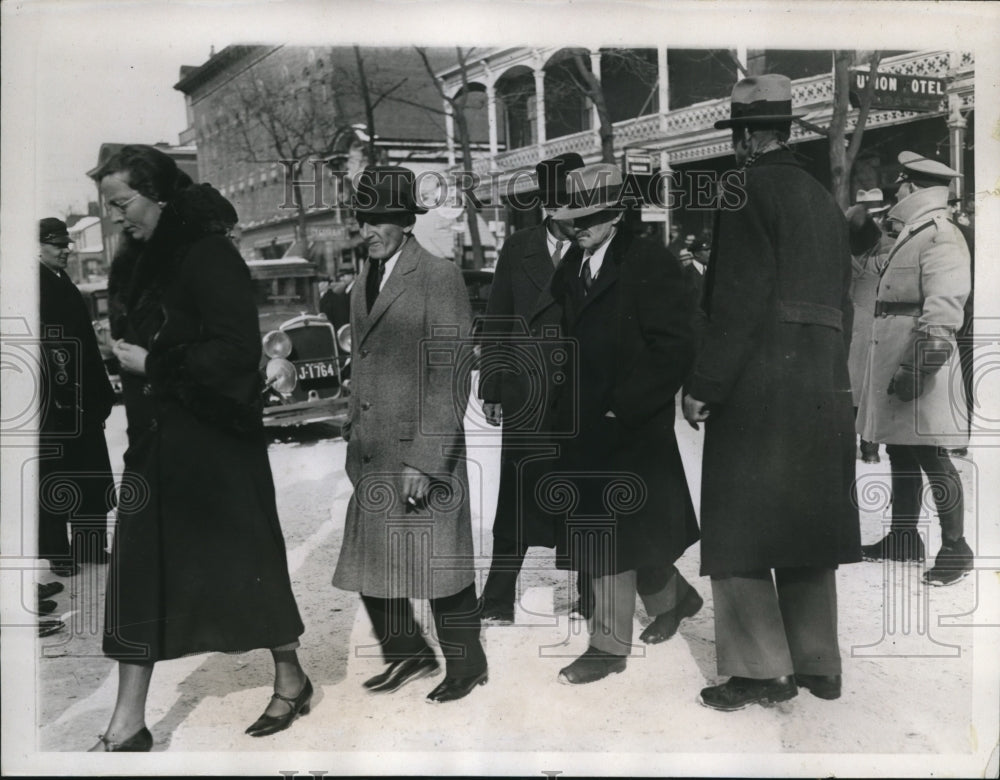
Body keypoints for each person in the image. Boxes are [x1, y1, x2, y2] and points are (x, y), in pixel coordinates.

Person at [91, 145, 310, 751]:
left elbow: (236, 351)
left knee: (249, 567)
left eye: (122, 204)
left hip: (216, 445)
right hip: (156, 447)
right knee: (138, 575)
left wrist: (154, 363)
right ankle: (127, 723)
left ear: (156, 193)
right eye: (109, 206)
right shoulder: (135, 259)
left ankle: (290, 675)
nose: (116, 218)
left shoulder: (209, 252)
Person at [683, 74, 861, 710]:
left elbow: (737, 299)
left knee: (742, 525)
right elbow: (842, 300)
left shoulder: (742, 189)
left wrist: (705, 383)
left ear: (748, 137)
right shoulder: (821, 197)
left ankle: (761, 669)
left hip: (759, 383)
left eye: (736, 137)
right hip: (819, 383)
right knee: (807, 520)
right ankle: (818, 663)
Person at [332, 166, 488, 704]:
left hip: (421, 448)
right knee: (371, 560)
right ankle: (408, 653)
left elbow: (452, 370)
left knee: (439, 561)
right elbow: (364, 360)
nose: (368, 230)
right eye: (363, 220)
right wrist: (353, 429)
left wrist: (427, 458)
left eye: (379, 220)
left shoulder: (438, 276)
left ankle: (468, 665)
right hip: (373, 449)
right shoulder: (364, 278)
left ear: (404, 221)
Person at [548, 163, 702, 685]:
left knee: (613, 532)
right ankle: (676, 597)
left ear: (615, 213)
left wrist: (625, 405)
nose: (577, 226)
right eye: (572, 217)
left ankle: (609, 645)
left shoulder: (648, 261)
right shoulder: (575, 262)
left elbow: (676, 344)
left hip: (629, 425)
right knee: (626, 531)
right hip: (584, 420)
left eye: (588, 216)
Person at [477, 152, 591, 625]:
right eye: (561, 204)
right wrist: (491, 385)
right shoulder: (518, 247)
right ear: (546, 206)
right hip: (527, 393)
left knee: (581, 493)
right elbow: (497, 318)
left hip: (581, 393)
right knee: (519, 495)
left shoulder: (594, 246)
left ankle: (590, 594)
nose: (570, 216)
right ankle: (499, 597)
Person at [855, 151, 973, 586]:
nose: (895, 191)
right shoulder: (917, 231)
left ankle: (957, 548)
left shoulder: (941, 235)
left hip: (920, 360)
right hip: (898, 354)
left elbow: (944, 312)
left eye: (901, 184)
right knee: (900, 448)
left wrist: (916, 368)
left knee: (931, 453)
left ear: (915, 187)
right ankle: (904, 537)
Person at [38, 218, 117, 577]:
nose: (66, 249)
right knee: (56, 475)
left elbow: (85, 342)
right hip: (54, 400)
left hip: (80, 396)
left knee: (87, 468)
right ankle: (58, 552)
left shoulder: (64, 283)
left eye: (66, 243)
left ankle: (89, 543)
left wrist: (100, 390)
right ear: (37, 246)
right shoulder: (32, 286)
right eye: (57, 244)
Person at [845, 188, 893, 464]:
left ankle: (864, 446)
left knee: (854, 387)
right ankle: (870, 448)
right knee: (868, 388)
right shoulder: (887, 249)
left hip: (854, 327)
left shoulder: (843, 249)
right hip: (872, 326)